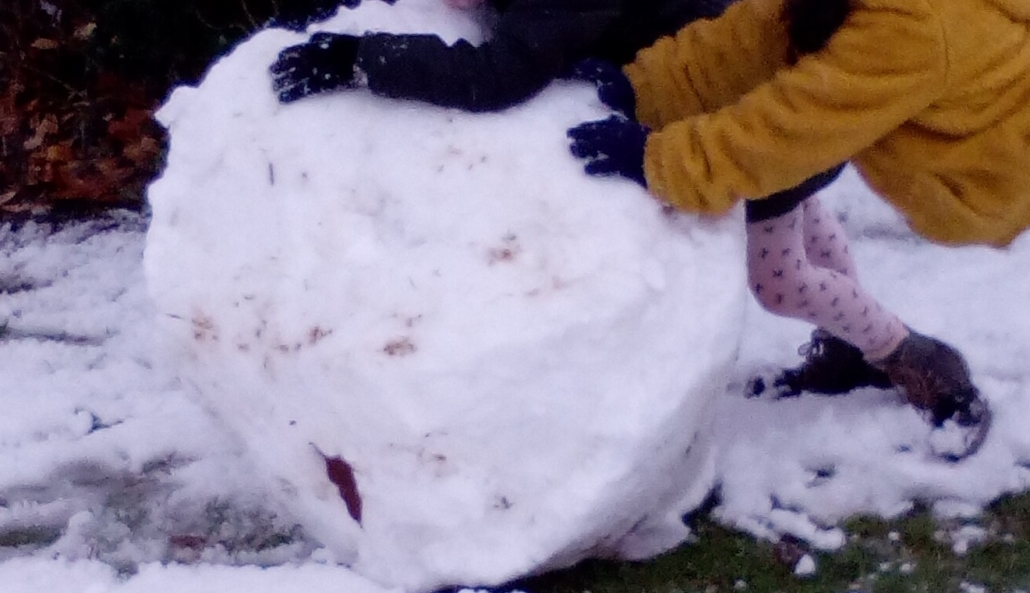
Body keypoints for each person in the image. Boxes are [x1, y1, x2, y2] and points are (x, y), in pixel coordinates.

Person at [566, 0, 1019, 458]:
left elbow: (791, 130)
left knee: (778, 283)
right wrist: (645, 85)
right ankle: (848, 347)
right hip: (828, 117)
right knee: (797, 225)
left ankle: (920, 361)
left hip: (979, 170)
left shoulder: (915, 31)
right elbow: (756, 34)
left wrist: (662, 162)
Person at [269, 0, 731, 113]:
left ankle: (806, 339)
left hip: (733, 93)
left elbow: (494, 77)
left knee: (775, 281)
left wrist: (363, 57)